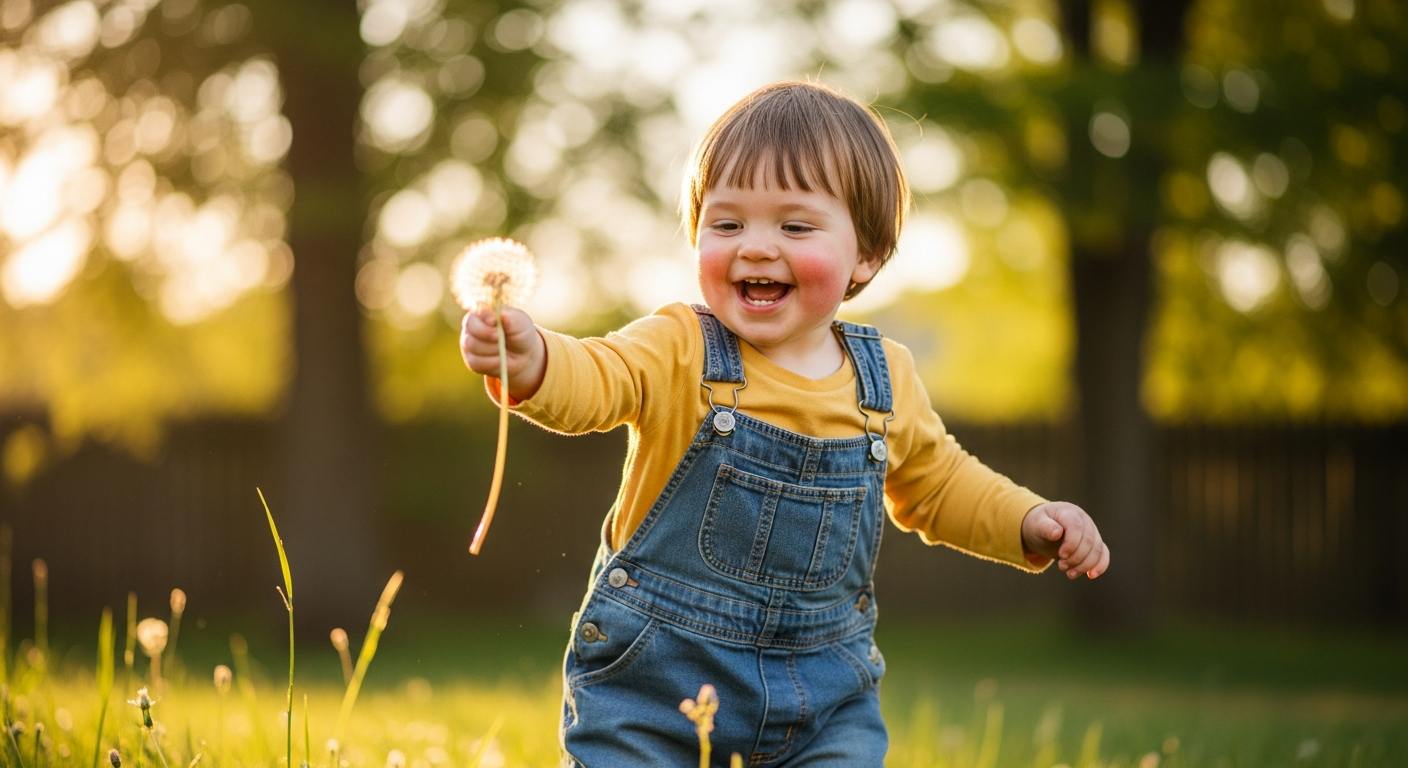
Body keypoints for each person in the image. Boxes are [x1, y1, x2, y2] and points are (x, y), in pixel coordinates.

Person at [460, 80, 1110, 767]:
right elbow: (596, 379)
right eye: (727, 223)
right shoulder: (679, 345)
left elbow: (939, 483)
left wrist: (1028, 520)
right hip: (655, 693)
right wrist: (533, 361)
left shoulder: (883, 380)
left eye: (795, 226)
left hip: (824, 700)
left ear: (866, 255)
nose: (756, 248)